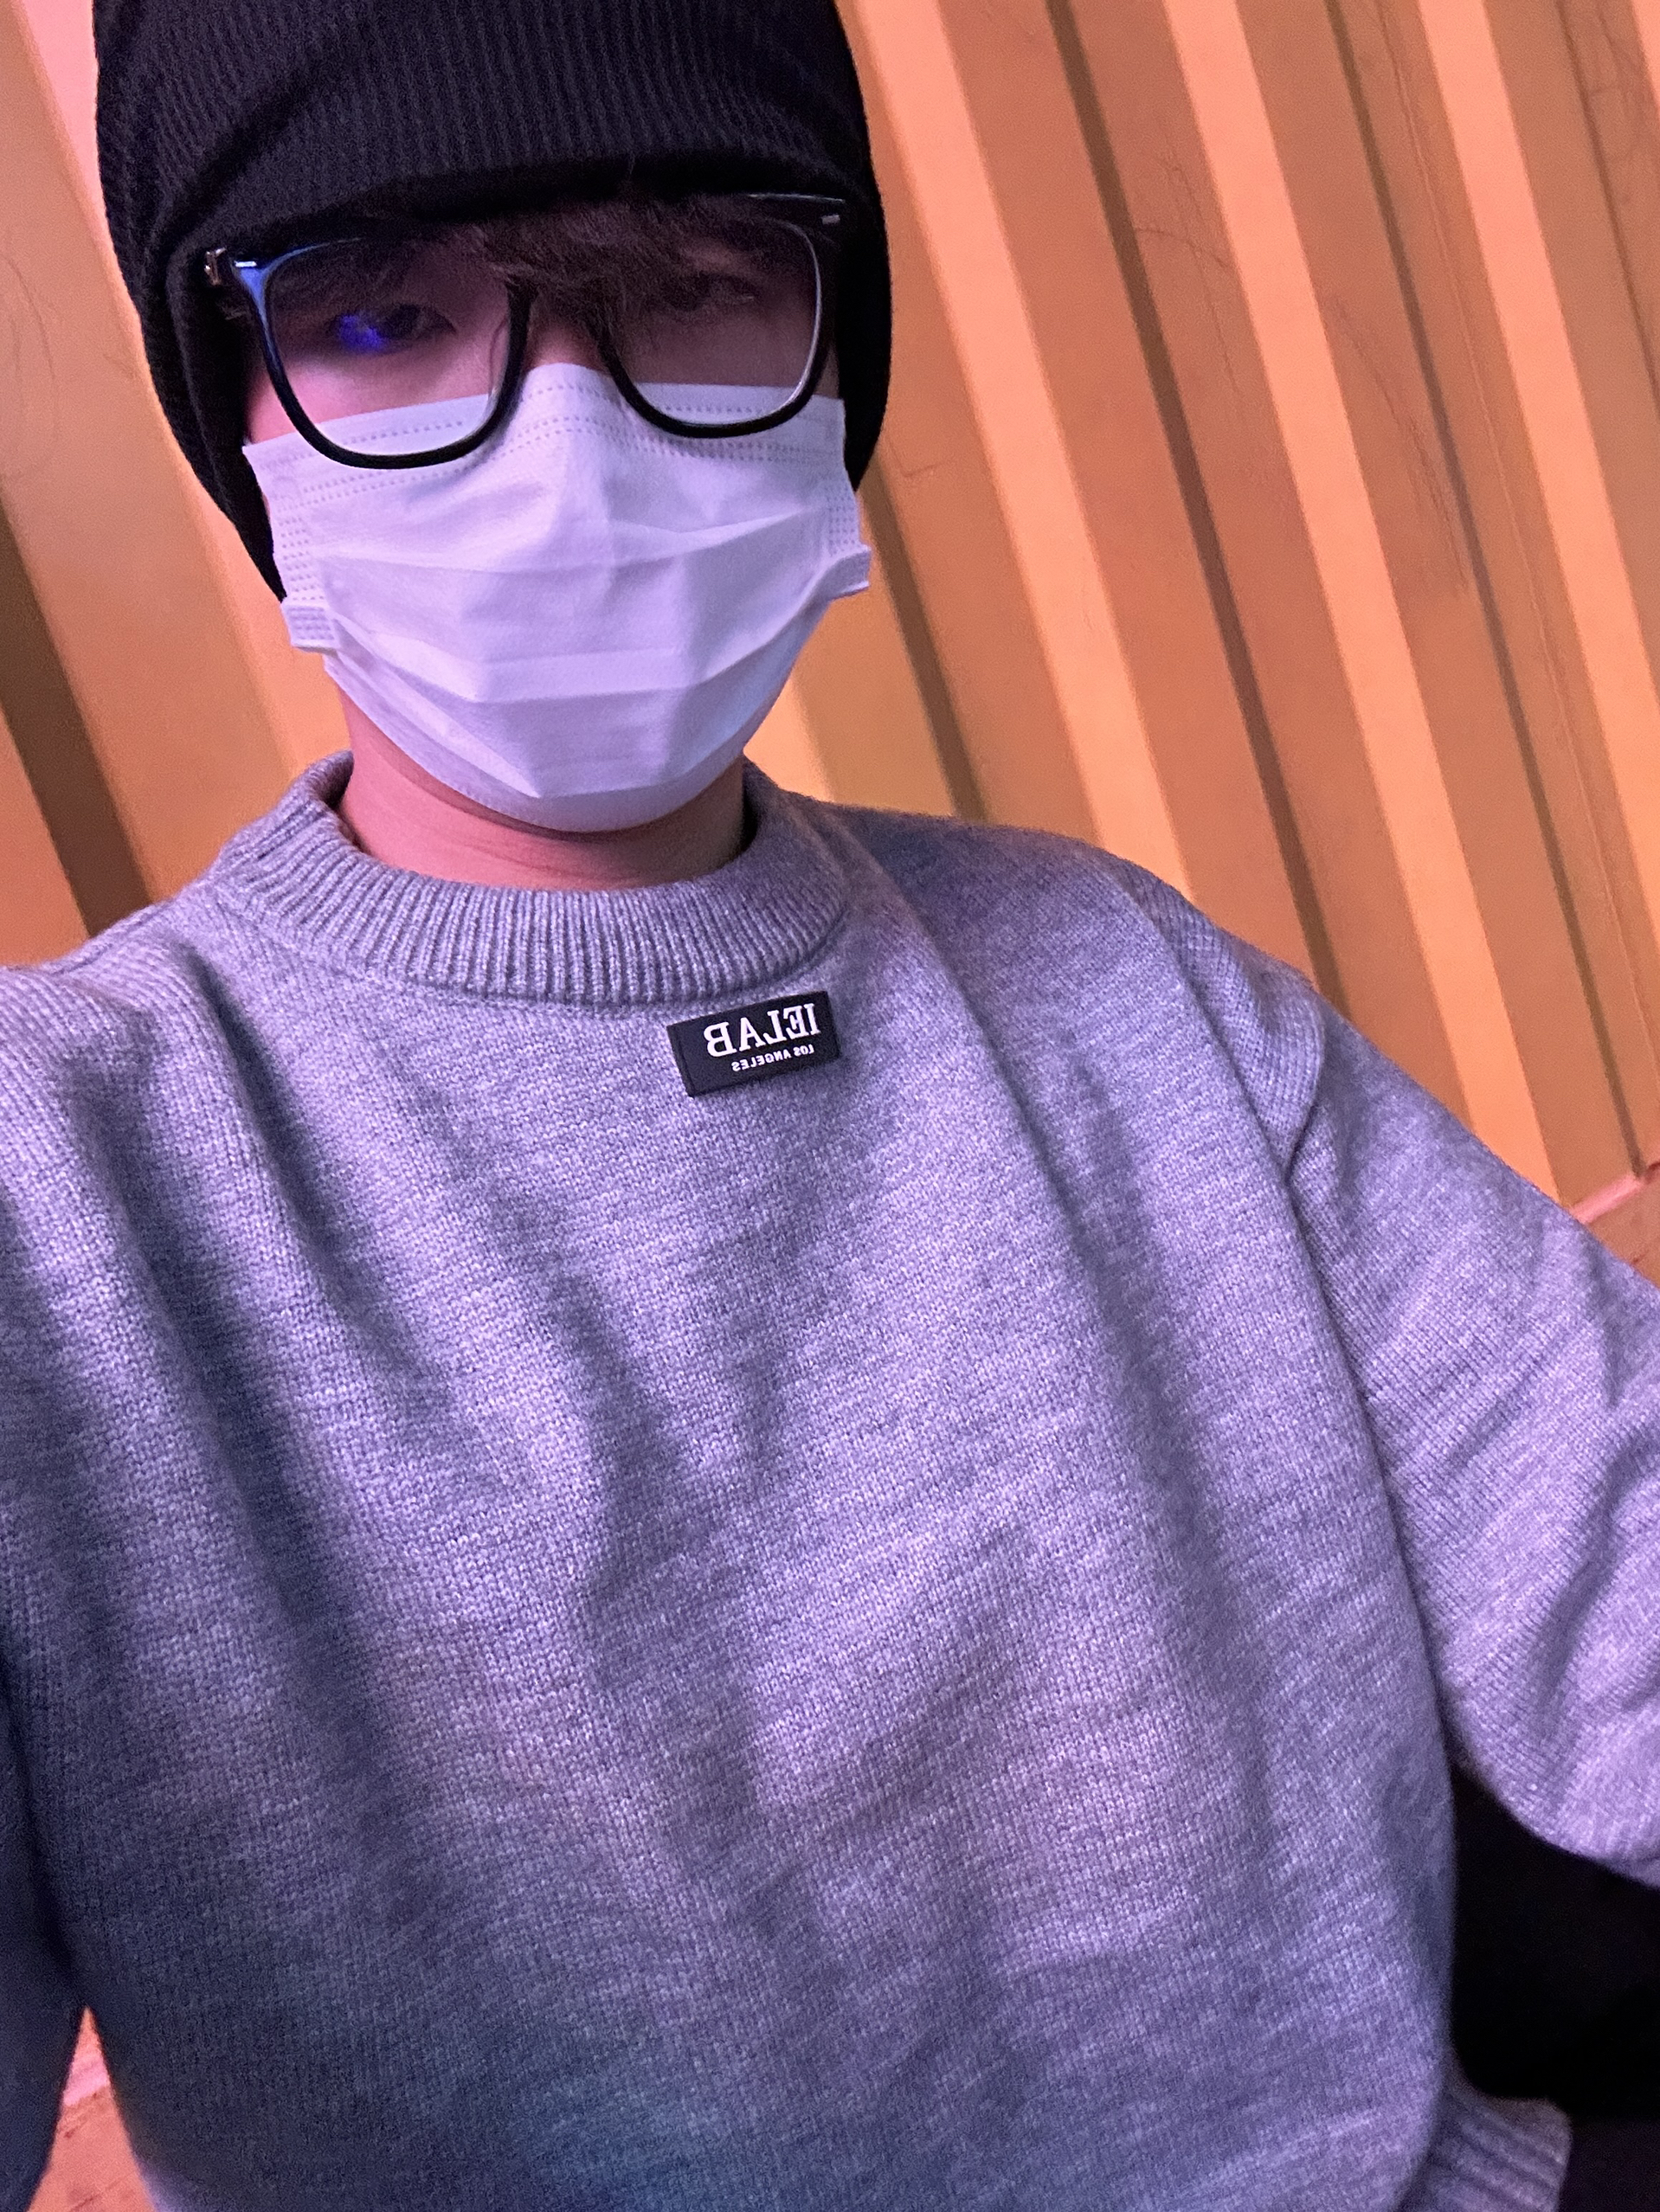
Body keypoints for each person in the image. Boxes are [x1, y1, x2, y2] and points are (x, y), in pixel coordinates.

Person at [1, 0, 1656, 2205]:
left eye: (690, 288)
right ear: (233, 403)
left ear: (832, 348)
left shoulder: (1120, 983)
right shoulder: (57, 1196)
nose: (563, 437)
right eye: (384, 316)